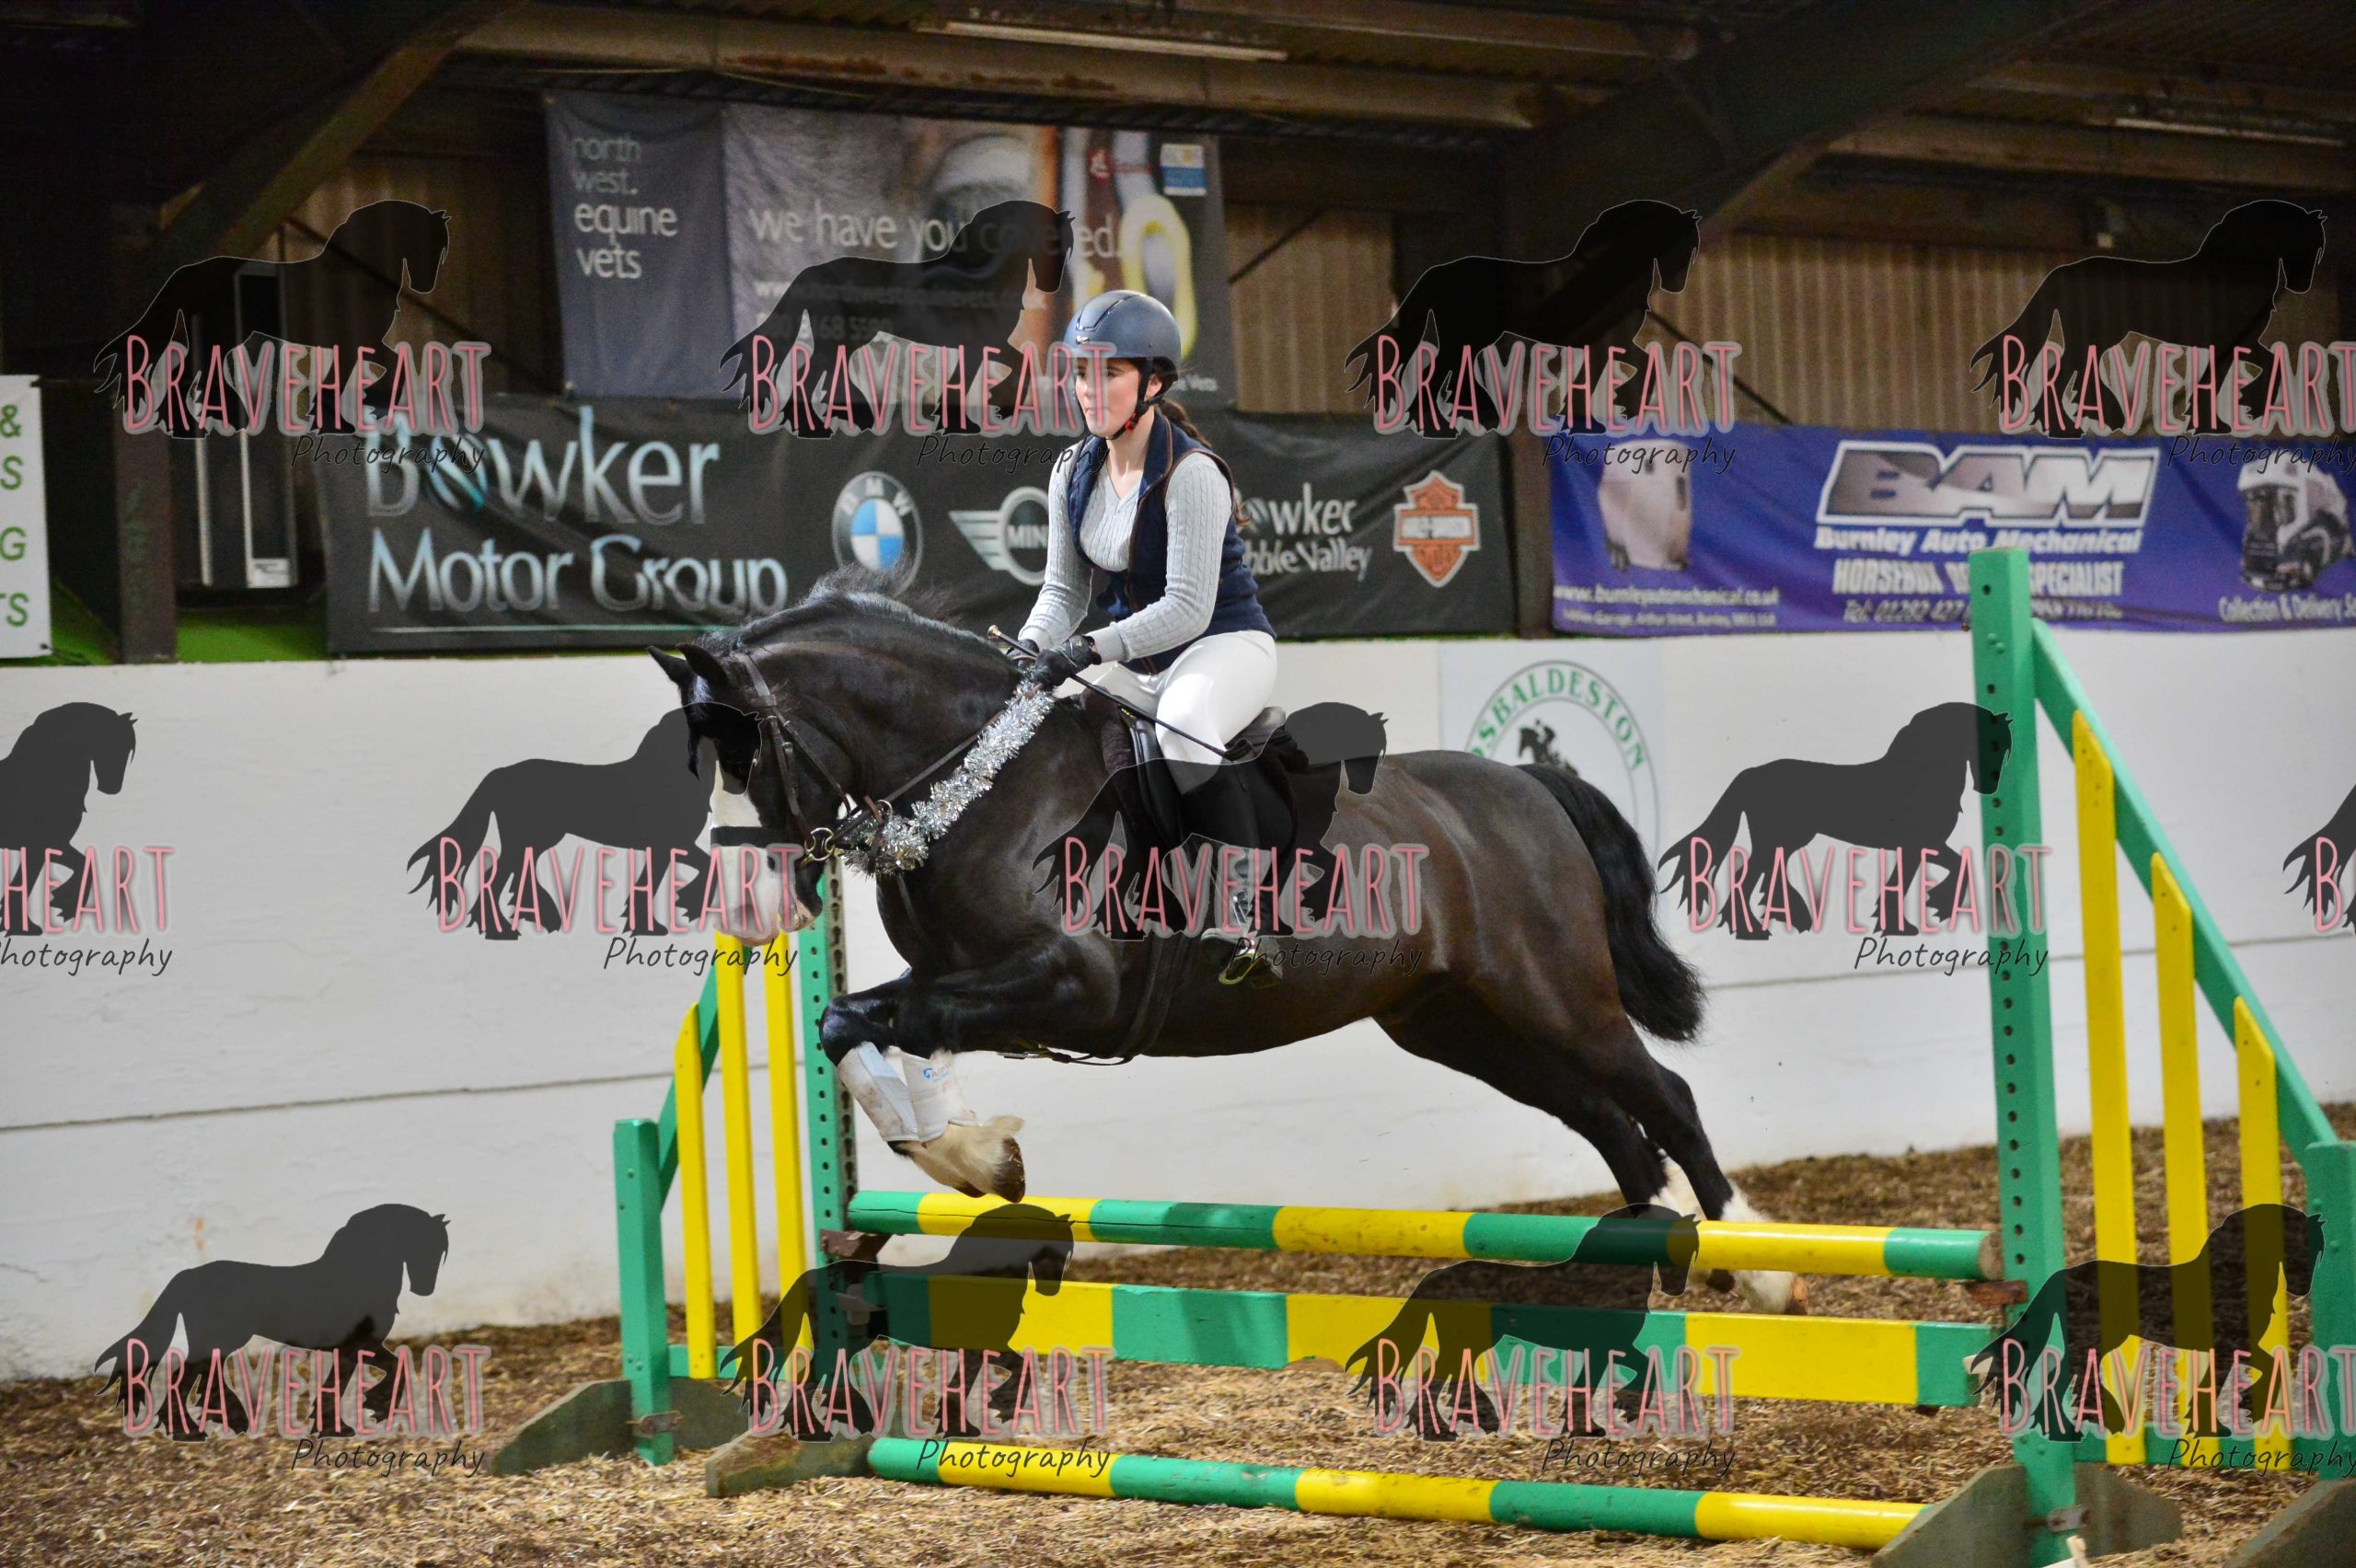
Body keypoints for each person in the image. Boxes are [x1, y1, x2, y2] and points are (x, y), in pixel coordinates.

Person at [1012, 289, 1282, 983]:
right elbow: (1062, 593)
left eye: (1108, 373)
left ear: (1153, 383)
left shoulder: (1191, 473)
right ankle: (1142, 883)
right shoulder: (1071, 471)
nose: (1087, 388)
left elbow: (1188, 609)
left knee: (1184, 722)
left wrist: (1090, 649)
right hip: (1143, 660)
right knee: (1064, 715)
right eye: (1080, 373)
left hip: (1224, 645)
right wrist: (1027, 651)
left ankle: (1247, 914)